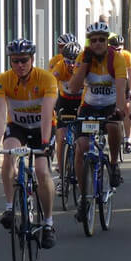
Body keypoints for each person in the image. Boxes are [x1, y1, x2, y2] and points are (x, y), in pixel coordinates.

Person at [0, 39, 58, 248]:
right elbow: (0, 114)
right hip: (17, 127)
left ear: (32, 60)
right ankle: (10, 207)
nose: (20, 65)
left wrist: (45, 142)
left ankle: (48, 223)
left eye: (24, 60)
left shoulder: (46, 79)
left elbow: (46, 114)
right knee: (8, 155)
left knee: (41, 171)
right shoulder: (2, 81)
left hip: (41, 129)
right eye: (15, 61)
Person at [67, 21, 130, 218]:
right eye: (93, 40)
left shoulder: (116, 59)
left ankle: (112, 163)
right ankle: (84, 198)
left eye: (101, 40)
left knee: (113, 127)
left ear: (106, 41)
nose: (97, 44)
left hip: (111, 104)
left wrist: (119, 111)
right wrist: (84, 64)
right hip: (90, 105)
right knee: (81, 148)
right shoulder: (83, 57)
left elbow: (121, 89)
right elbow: (74, 88)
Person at [51, 40, 83, 188]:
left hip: (81, 103)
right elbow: (51, 85)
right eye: (68, 61)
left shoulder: (84, 68)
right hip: (64, 102)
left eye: (74, 61)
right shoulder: (59, 68)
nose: (71, 65)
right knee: (61, 136)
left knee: (81, 140)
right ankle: (62, 175)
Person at [108, 33, 131, 153]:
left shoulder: (128, 57)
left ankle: (128, 139)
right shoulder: (107, 56)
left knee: (127, 107)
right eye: (115, 49)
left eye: (120, 49)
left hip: (123, 85)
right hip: (110, 85)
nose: (118, 52)